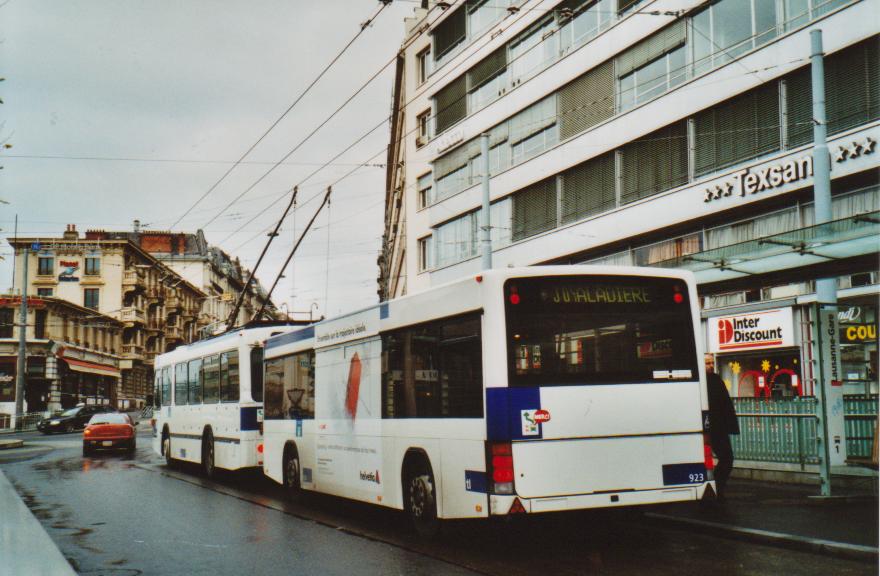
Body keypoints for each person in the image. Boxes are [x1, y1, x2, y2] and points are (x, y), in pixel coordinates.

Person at [705, 353, 739, 498]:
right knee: (726, 459)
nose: (711, 365)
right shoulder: (712, 381)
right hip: (714, 427)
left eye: (712, 362)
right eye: (708, 363)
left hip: (716, 427)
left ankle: (716, 488)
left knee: (727, 459)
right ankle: (716, 488)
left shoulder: (715, 380)